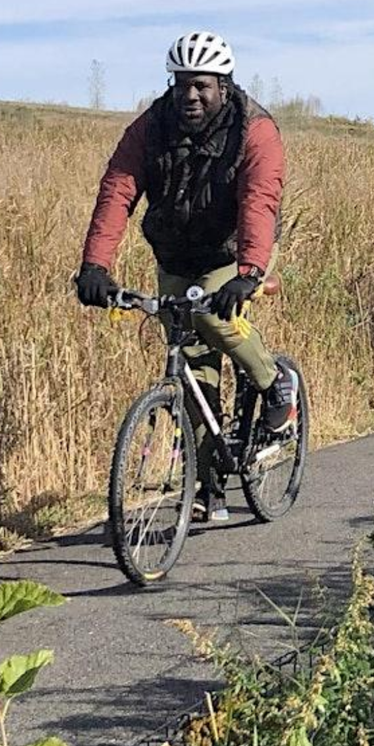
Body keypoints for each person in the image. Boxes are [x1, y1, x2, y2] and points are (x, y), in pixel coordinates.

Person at [75, 31, 295, 521]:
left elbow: (259, 201)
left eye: (201, 85)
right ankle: (207, 486)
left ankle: (274, 380)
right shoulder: (151, 127)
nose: (190, 96)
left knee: (213, 319)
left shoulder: (254, 130)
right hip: (176, 254)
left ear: (223, 85)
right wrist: (95, 266)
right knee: (192, 369)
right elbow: (117, 190)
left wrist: (249, 272)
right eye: (181, 85)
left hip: (233, 251)